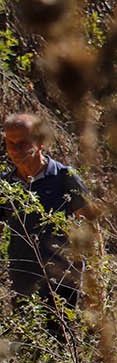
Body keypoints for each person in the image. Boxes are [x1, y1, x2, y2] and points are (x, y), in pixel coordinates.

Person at [2, 111, 86, 321]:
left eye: (23, 143)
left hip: (62, 279)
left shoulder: (64, 178)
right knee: (28, 344)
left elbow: (90, 226)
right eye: (11, 143)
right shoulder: (6, 185)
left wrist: (95, 282)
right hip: (21, 279)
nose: (16, 150)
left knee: (59, 340)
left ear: (40, 142)